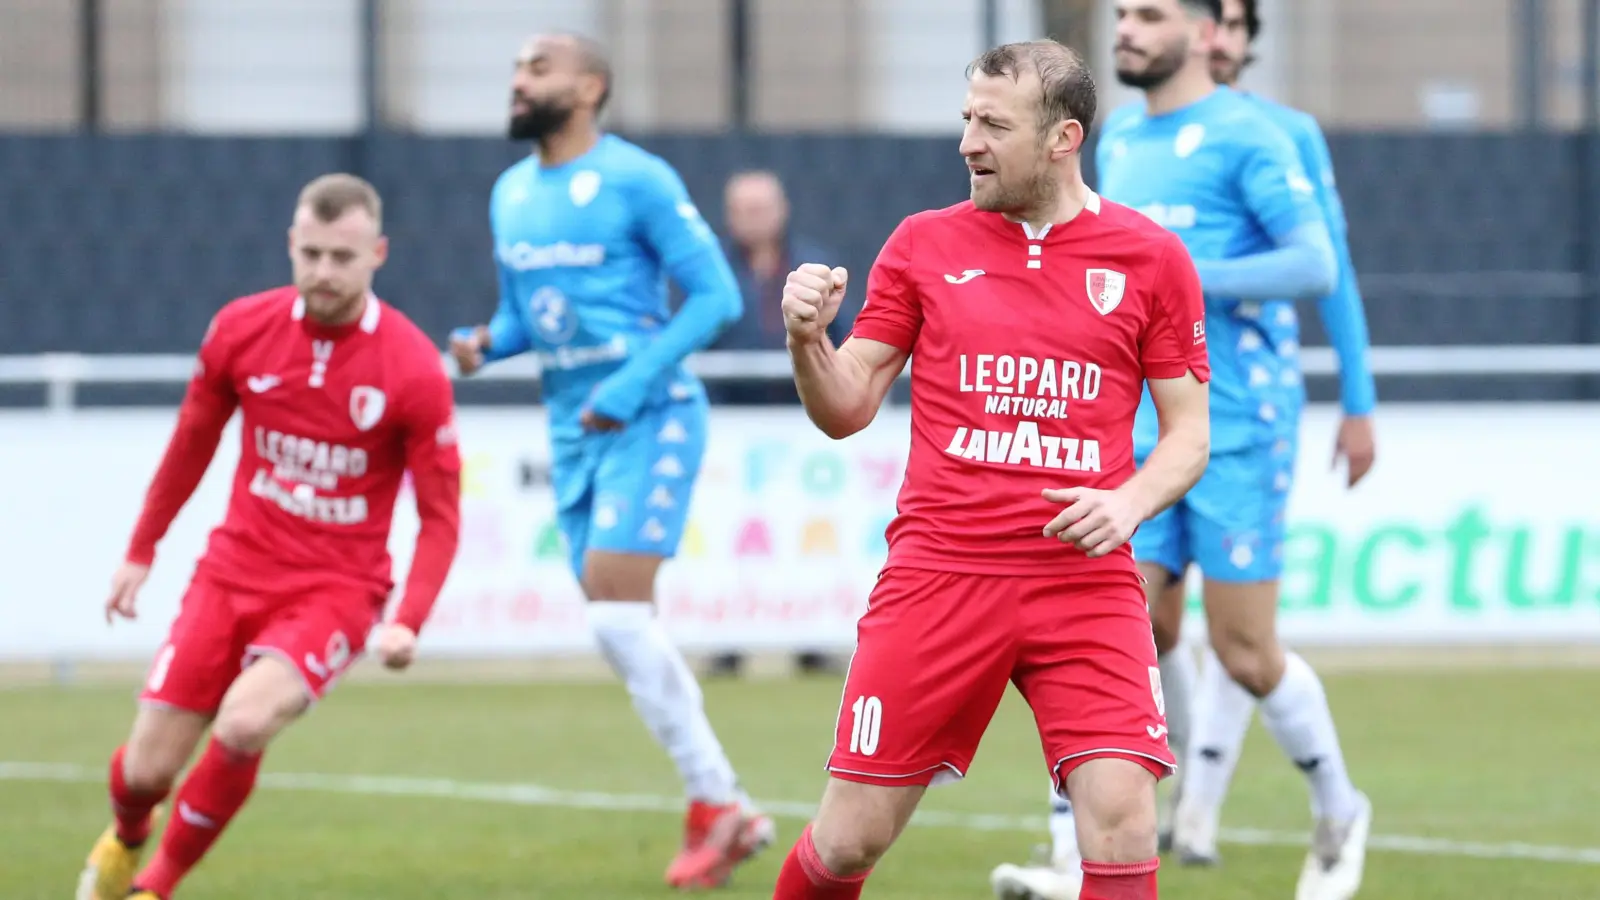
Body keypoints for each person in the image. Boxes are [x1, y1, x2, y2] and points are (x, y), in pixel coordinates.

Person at [771, 39, 1212, 900]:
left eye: (993, 125)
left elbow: (1189, 434)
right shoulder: (922, 245)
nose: (968, 142)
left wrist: (1128, 503)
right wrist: (805, 342)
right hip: (941, 575)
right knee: (849, 840)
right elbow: (845, 405)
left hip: (1083, 581)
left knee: (1122, 821)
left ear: (1063, 138)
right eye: (966, 119)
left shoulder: (1151, 259)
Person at [990, 3, 1371, 900]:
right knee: (1114, 625)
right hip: (1137, 430)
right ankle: (1076, 853)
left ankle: (1338, 809)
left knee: (1244, 652)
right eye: (1122, 12)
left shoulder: (1254, 135)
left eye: (1148, 14)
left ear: (1204, 33)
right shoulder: (1116, 140)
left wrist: (1184, 271)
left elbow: (1316, 264)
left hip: (1239, 425)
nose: (1125, 27)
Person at [74, 173, 463, 900]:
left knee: (246, 720)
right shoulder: (241, 329)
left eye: (341, 257)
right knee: (144, 773)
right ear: (290, 243)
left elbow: (442, 514)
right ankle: (129, 835)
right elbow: (190, 443)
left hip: (335, 590)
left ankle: (153, 888)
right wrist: (140, 550)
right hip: (230, 574)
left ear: (378, 253)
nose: (323, 272)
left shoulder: (410, 366)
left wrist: (409, 618)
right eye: (310, 253)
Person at [446, 32, 774, 890]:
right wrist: (488, 342)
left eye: (538, 69)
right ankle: (719, 801)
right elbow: (531, 315)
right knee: (614, 620)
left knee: (617, 613)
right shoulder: (511, 193)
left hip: (650, 415)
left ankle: (719, 801)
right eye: (516, 68)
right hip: (573, 428)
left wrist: (630, 386)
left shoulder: (637, 178)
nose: (519, 82)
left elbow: (717, 299)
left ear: (590, 87)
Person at [706, 169, 848, 677]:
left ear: (782, 208)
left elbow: (846, 337)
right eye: (743, 208)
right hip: (729, 426)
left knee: (810, 528)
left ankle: (811, 636)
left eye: (762, 207)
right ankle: (728, 639)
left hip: (802, 422)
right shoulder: (708, 272)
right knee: (732, 533)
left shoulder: (813, 266)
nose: (754, 218)